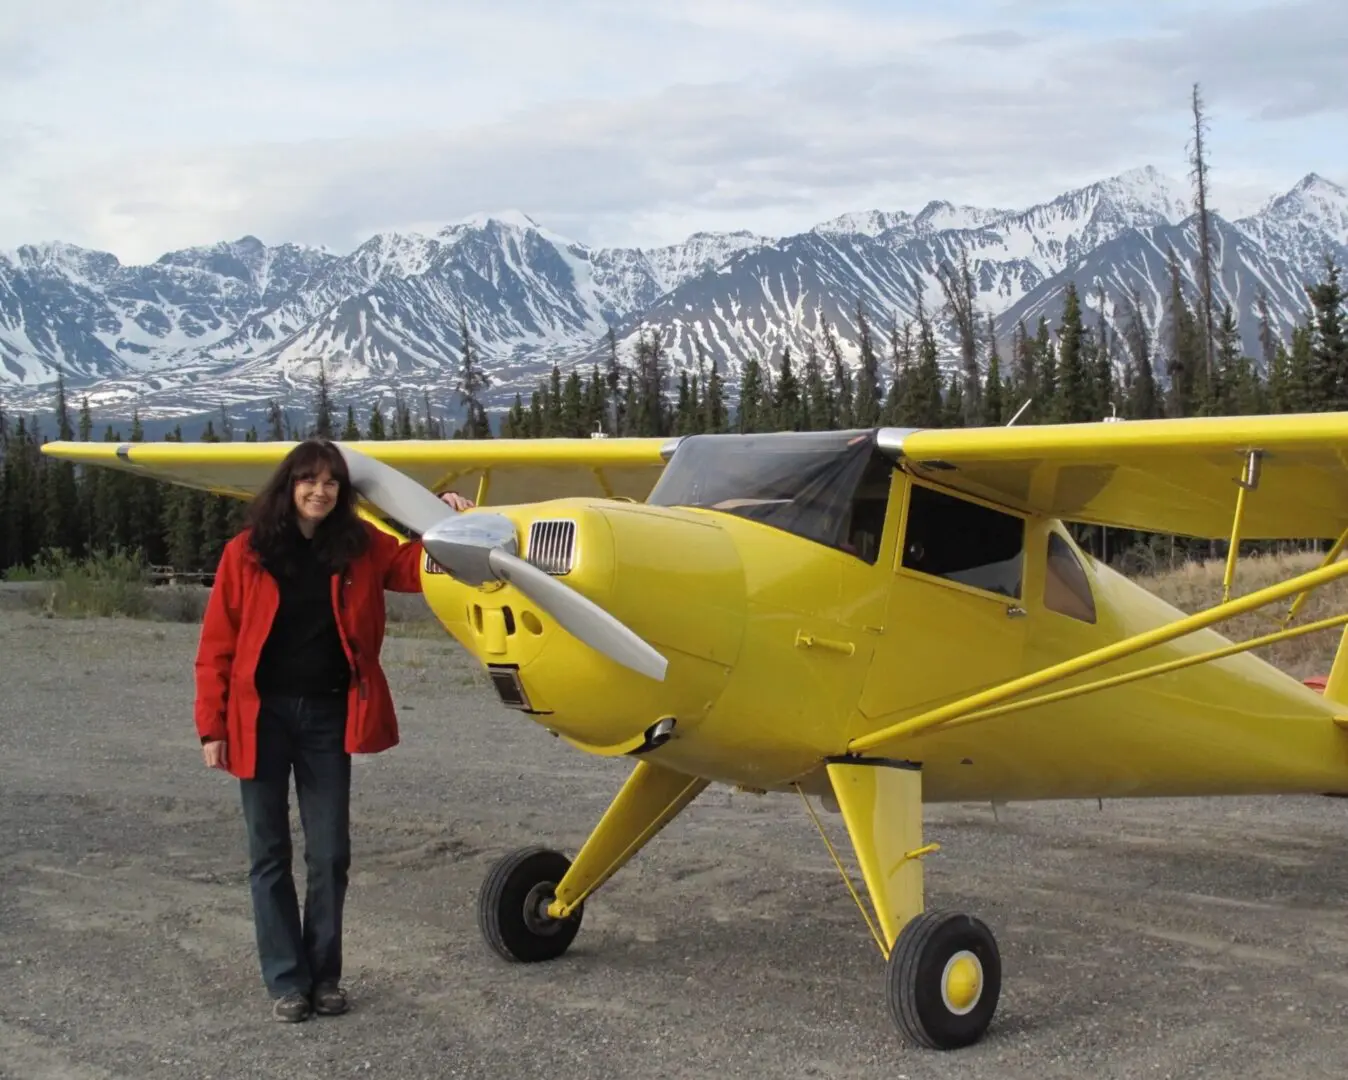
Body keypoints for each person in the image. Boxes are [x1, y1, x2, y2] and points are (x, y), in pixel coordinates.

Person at [193, 438, 472, 1022]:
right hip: (259, 717)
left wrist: (448, 521)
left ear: (342, 494)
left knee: (329, 854)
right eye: (308, 480)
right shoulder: (247, 552)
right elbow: (216, 645)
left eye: (331, 483)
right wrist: (210, 727)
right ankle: (286, 982)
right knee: (267, 853)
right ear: (288, 485)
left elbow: (418, 568)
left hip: (326, 717)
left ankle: (325, 978)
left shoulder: (361, 546)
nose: (319, 491)